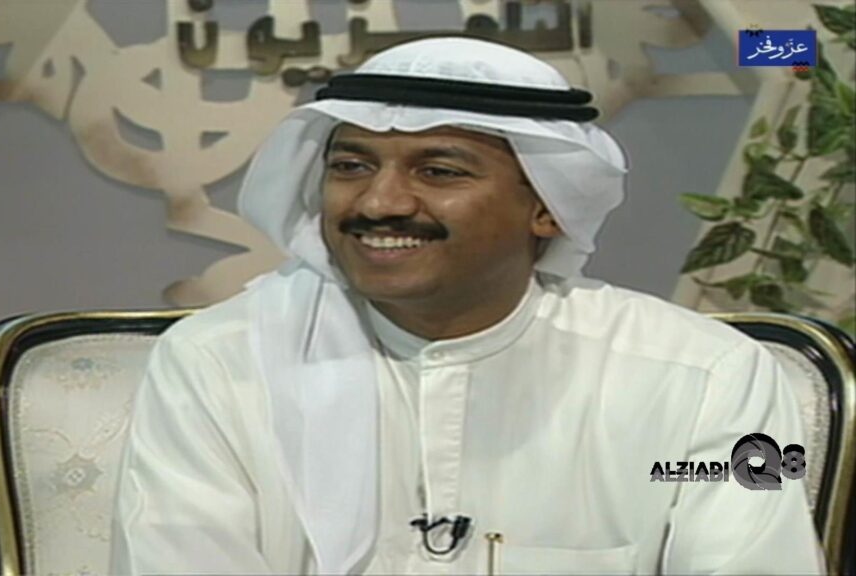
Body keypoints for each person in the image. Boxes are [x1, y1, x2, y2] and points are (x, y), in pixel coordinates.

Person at [109, 38, 825, 575]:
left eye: (439, 170)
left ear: (547, 207)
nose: (380, 202)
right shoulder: (219, 365)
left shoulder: (707, 377)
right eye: (351, 166)